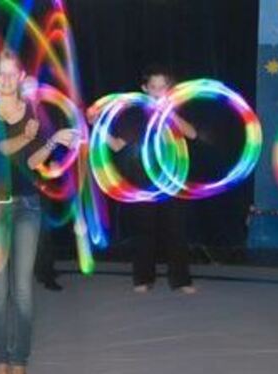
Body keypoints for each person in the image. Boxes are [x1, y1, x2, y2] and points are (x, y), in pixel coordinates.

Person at [0, 49, 78, 374]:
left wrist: (52, 142)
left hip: (28, 207)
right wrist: (27, 135)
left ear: (20, 77)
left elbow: (34, 163)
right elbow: (2, 149)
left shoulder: (33, 113)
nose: (5, 79)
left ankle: (19, 358)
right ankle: (0, 358)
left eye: (11, 73)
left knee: (22, 290)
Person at [88, 66, 198, 294]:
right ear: (145, 90)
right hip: (143, 183)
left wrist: (170, 113)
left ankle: (181, 280)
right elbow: (117, 145)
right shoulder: (135, 117)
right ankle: (143, 278)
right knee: (144, 232)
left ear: (169, 90)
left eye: (163, 87)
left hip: (172, 182)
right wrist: (98, 125)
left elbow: (192, 134)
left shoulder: (175, 113)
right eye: (153, 87)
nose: (158, 92)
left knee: (176, 231)